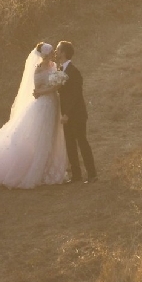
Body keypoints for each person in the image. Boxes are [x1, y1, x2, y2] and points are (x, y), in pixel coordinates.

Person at [0, 42, 68, 189]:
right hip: (44, 105)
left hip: (54, 104)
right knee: (41, 137)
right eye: (51, 52)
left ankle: (49, 167)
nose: (53, 54)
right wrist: (53, 88)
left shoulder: (53, 66)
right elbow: (37, 90)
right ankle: (37, 170)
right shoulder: (39, 70)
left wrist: (56, 85)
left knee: (52, 135)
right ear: (45, 55)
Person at [55, 41, 97, 184]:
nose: (56, 51)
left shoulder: (74, 72)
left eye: (58, 49)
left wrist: (67, 114)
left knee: (82, 142)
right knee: (70, 144)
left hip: (76, 115)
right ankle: (76, 176)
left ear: (64, 52)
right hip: (66, 115)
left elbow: (75, 95)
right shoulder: (60, 70)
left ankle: (92, 174)